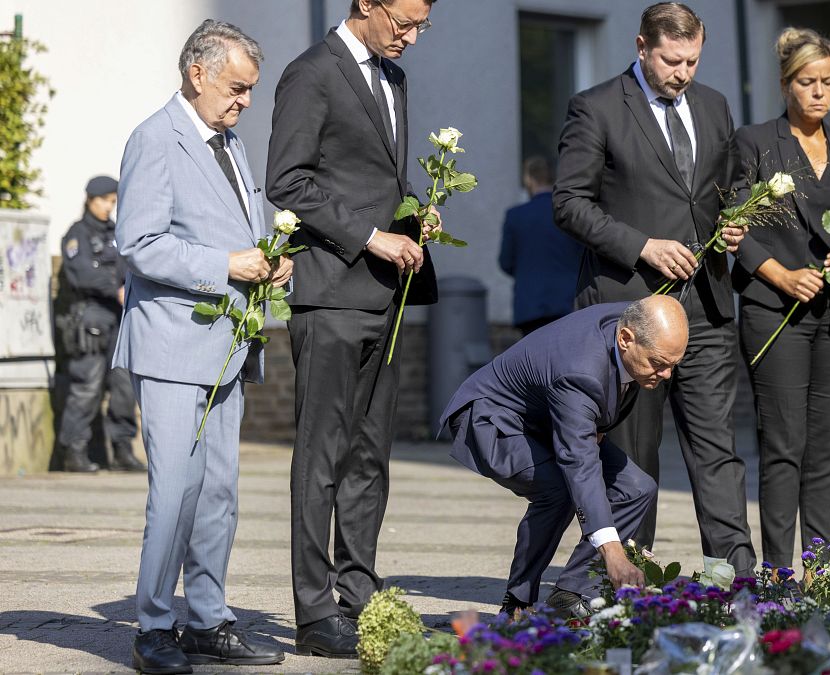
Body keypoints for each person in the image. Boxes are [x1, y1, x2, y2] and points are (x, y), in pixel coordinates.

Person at [553, 1, 756, 586]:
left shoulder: (715, 105)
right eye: (672, 60)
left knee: (718, 453)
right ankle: (630, 591)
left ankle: (734, 584)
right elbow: (568, 205)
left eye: (692, 61)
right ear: (642, 47)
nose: (683, 72)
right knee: (634, 461)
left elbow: (728, 185)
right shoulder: (595, 108)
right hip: (632, 314)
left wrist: (736, 220)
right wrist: (642, 245)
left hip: (708, 309)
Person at [113, 20, 288, 673]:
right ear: (198, 72)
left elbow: (235, 228)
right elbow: (138, 243)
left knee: (219, 491)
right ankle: (154, 626)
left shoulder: (230, 142)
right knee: (177, 489)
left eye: (250, 89)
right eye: (237, 87)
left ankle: (208, 618)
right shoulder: (155, 139)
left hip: (226, 346)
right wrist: (229, 264)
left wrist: (267, 261)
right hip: (170, 344)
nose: (245, 99)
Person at [266, 0, 439, 658]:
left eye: (423, 24)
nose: (412, 36)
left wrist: (413, 220)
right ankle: (314, 611)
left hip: (385, 294)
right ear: (365, 3)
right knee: (322, 456)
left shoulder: (394, 78)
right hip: (332, 292)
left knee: (370, 454)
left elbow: (375, 179)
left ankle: (358, 592)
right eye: (404, 21)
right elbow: (287, 180)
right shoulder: (311, 72)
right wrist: (371, 236)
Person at [732, 27, 830, 567]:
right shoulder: (754, 143)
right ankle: (777, 572)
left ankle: (822, 570)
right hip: (777, 312)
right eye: (807, 82)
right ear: (785, 84)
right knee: (784, 445)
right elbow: (735, 225)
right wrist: (782, 275)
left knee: (828, 447)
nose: (819, 92)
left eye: (827, 82)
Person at [440, 296, 686, 617]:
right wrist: (612, 551)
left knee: (637, 488)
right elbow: (580, 465)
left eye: (673, 364)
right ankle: (518, 603)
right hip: (494, 418)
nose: (667, 375)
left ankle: (570, 594)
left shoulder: (635, 323)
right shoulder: (580, 371)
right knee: (556, 490)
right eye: (658, 363)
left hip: (549, 415)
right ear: (626, 339)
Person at [55, 175, 142, 473]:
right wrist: (113, 287)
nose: (109, 206)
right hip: (90, 320)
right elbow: (81, 274)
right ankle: (74, 452)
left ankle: (122, 451)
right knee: (87, 388)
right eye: (105, 200)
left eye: (113, 201)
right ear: (90, 199)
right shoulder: (76, 234)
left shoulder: (118, 233)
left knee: (123, 388)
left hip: (118, 320)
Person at [499, 156, 583, 336]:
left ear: (528, 179)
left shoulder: (516, 216)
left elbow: (506, 262)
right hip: (567, 302)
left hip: (530, 304)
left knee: (532, 362)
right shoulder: (570, 213)